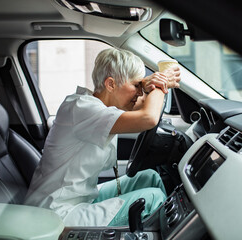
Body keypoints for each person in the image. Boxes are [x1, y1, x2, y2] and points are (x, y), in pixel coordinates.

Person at [24, 48, 181, 227]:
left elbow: (146, 105)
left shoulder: (103, 108)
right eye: (136, 86)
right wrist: (161, 82)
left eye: (140, 86)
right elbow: (149, 117)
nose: (139, 93)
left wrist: (147, 84)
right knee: (154, 198)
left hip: (82, 197)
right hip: (57, 211)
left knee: (149, 177)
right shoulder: (82, 108)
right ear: (111, 84)